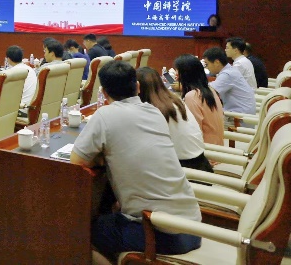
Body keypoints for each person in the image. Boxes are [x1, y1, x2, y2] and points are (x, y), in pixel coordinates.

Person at [71, 61, 201, 262]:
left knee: (78, 233)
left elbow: (76, 161)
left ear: (104, 92)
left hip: (161, 232)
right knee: (108, 216)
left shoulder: (105, 115)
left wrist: (102, 156)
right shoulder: (154, 111)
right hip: (192, 226)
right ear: (138, 87)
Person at [136, 67, 212, 172]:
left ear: (137, 87)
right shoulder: (175, 100)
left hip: (184, 171)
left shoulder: (152, 110)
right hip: (202, 164)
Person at [174, 54, 224, 147]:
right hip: (216, 146)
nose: (176, 74)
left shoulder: (192, 96)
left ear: (185, 73)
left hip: (205, 150)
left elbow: (194, 132)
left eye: (177, 70)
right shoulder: (211, 90)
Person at [203, 47, 256, 115]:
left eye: (207, 64)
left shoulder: (227, 74)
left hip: (239, 116)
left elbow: (208, 92)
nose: (206, 67)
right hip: (241, 112)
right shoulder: (230, 70)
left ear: (217, 62)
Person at [5, 45, 37, 110]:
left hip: (21, 108)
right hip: (32, 107)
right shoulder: (30, 69)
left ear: (8, 59)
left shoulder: (12, 73)